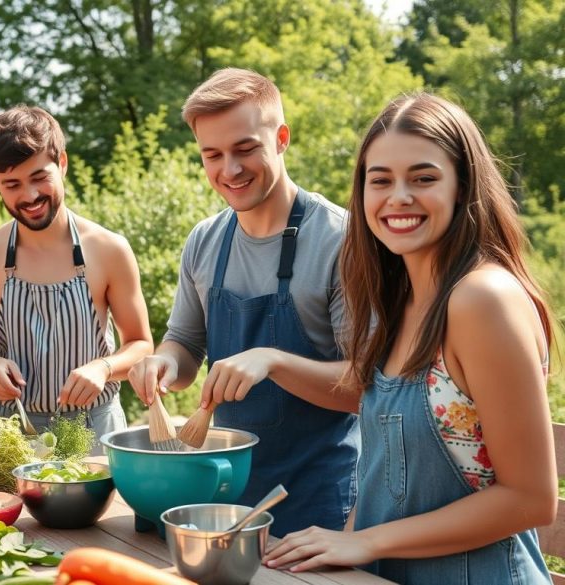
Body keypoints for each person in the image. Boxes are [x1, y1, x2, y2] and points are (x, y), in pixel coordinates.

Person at [262, 93, 556, 583]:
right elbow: (384, 473)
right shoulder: (400, 300)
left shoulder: (482, 299)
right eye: (380, 181)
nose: (398, 197)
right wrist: (343, 547)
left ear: (462, 187)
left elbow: (530, 498)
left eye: (423, 178)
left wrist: (364, 540)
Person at [127, 68, 359, 537]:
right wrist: (164, 364)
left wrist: (272, 361)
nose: (229, 170)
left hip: (320, 503)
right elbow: (186, 344)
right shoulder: (205, 240)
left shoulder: (342, 241)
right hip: (226, 497)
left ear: (282, 139)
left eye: (246, 149)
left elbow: (364, 387)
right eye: (212, 155)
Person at [0, 105, 153, 450]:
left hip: (95, 428)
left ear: (62, 163)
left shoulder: (109, 249)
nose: (30, 195)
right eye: (12, 184)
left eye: (39, 177)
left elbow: (141, 345)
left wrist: (104, 368)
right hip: (13, 434)